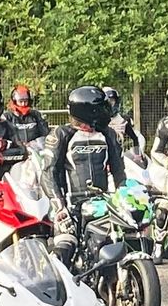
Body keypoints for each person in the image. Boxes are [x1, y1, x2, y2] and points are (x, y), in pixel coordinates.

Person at [43, 86, 125, 267]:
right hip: (70, 206)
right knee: (64, 249)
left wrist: (124, 197)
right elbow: (49, 172)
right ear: (89, 111)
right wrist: (59, 207)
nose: (107, 111)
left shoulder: (108, 134)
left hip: (103, 204)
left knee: (123, 239)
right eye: (103, 107)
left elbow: (119, 171)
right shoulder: (61, 134)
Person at [102, 86, 145, 153]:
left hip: (118, 155)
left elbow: (135, 138)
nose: (111, 103)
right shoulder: (97, 120)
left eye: (112, 100)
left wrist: (137, 154)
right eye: (108, 101)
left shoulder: (122, 120)